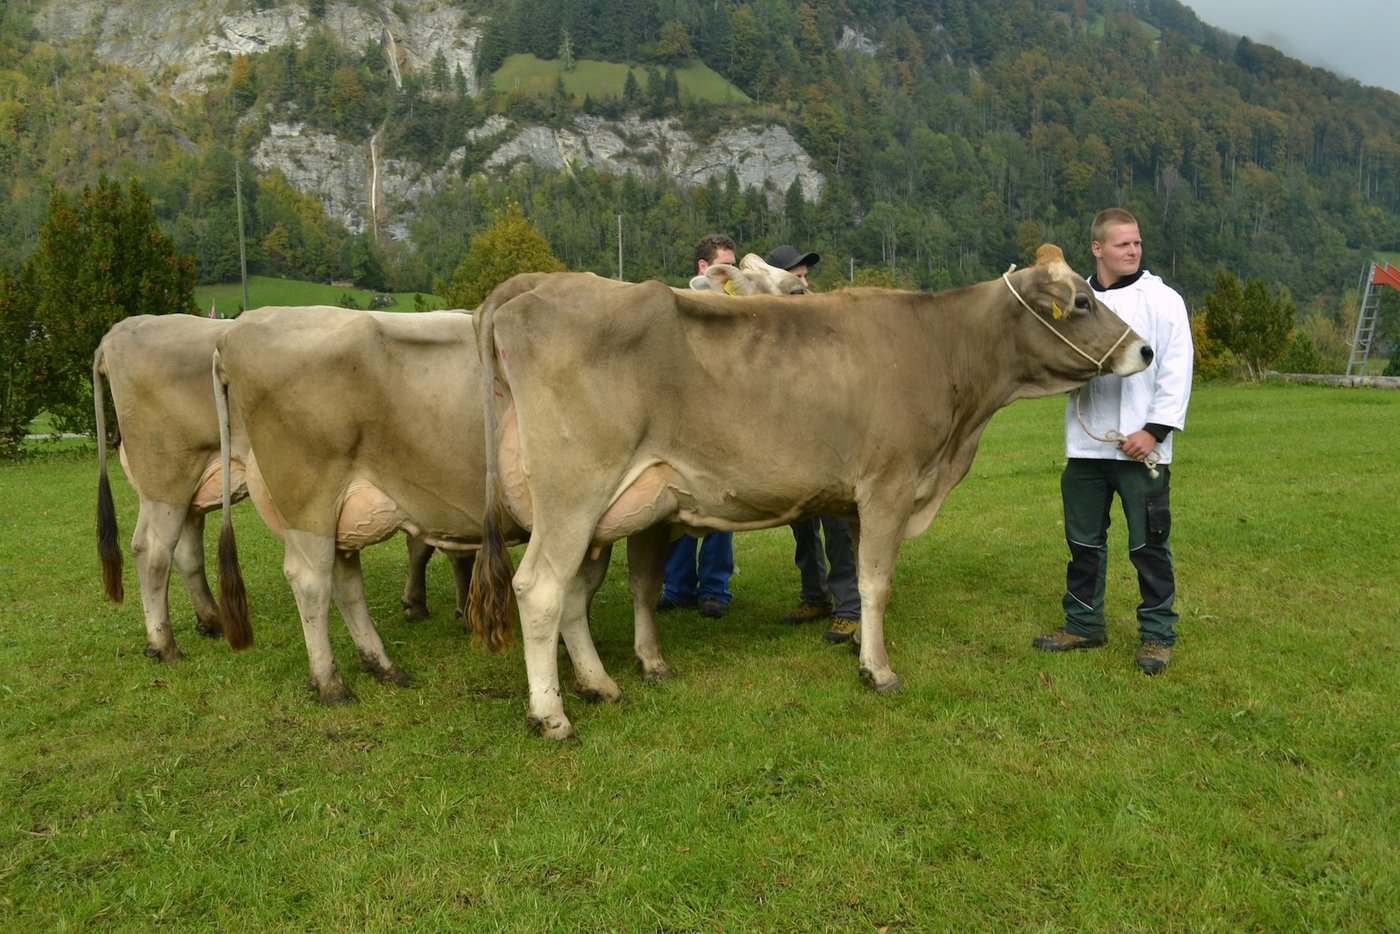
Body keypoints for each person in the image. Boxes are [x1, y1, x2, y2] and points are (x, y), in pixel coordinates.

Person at [1033, 208, 1193, 675]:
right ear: (1098, 249)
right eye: (1123, 244)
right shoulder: (1073, 299)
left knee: (1149, 546)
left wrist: (1154, 432)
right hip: (1086, 445)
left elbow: (1176, 372)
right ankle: (1083, 624)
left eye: (1137, 243)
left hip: (1141, 448)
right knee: (1083, 542)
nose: (1134, 251)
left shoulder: (1163, 301)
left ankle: (1158, 635)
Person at [763, 244, 863, 645]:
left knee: (838, 525)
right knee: (801, 524)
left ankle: (849, 608)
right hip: (792, 446)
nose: (804, 283)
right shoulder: (768, 331)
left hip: (832, 445)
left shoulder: (827, 323)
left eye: (805, 276)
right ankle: (814, 595)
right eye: (796, 276)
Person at [658, 234, 739, 619]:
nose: (732, 275)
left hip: (722, 416)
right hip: (682, 419)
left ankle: (714, 589)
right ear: (703, 269)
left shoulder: (735, 311)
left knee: (719, 502)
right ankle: (676, 587)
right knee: (677, 504)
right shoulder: (679, 306)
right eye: (726, 266)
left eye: (734, 266)